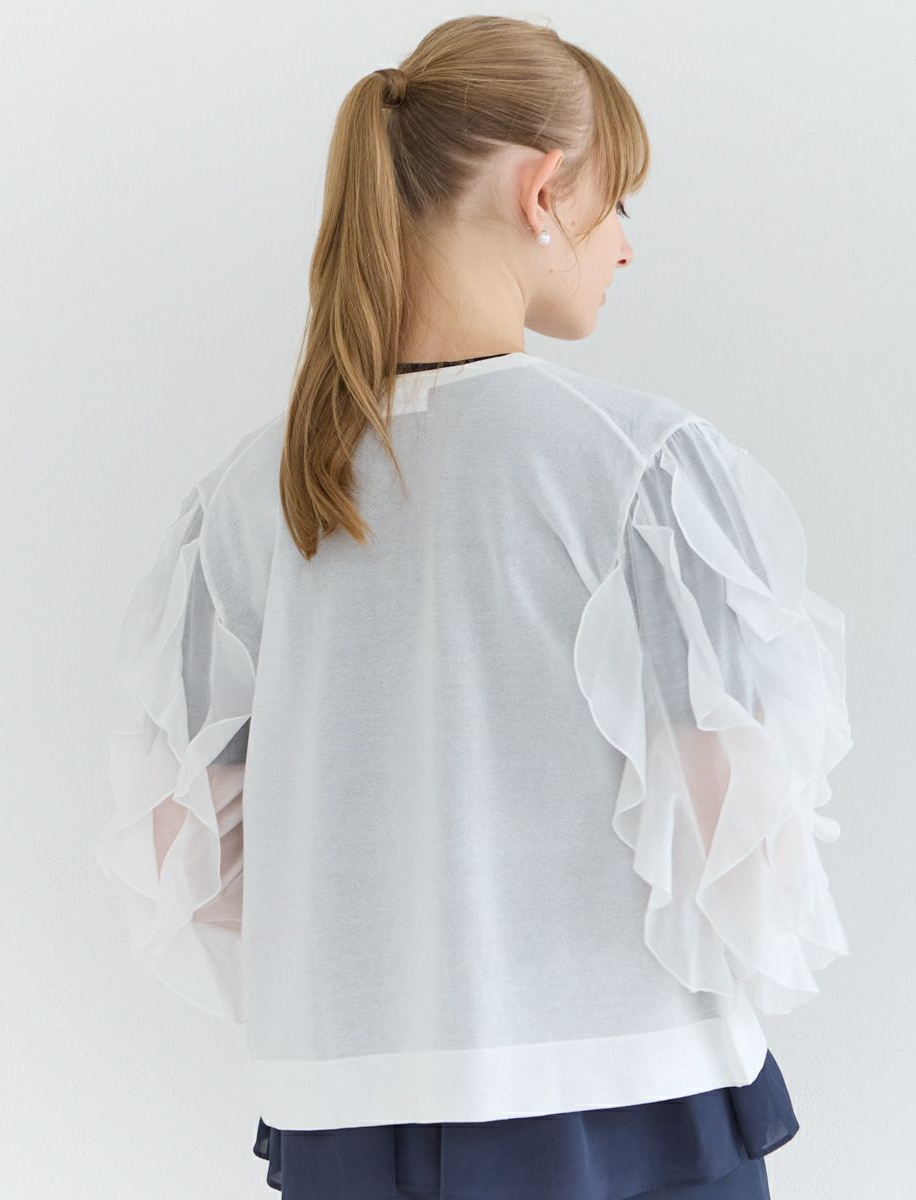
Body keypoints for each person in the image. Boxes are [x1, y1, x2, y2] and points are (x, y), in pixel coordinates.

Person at [94, 15, 852, 1199]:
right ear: (544, 191)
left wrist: (375, 964)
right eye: (618, 201)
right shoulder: (642, 471)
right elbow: (738, 842)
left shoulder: (248, 493)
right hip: (623, 1095)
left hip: (346, 1117)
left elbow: (176, 842)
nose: (627, 246)